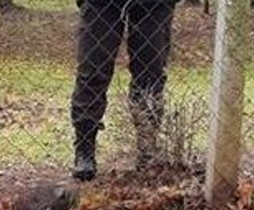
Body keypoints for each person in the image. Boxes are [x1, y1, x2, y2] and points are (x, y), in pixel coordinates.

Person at [70, 0, 179, 181]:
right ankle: (84, 148)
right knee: (92, 71)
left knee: (150, 76)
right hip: (101, 5)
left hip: (154, 5)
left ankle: (147, 147)